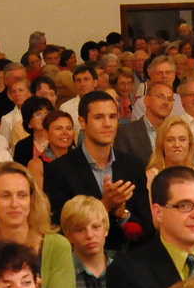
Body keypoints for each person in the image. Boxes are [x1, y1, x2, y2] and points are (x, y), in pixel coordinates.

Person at [43, 93, 154, 251]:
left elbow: (147, 232)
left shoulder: (132, 166)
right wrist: (104, 206)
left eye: (112, 117)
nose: (108, 124)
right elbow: (59, 230)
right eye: (99, 117)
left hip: (127, 260)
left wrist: (123, 214)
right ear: (83, 122)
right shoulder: (59, 170)